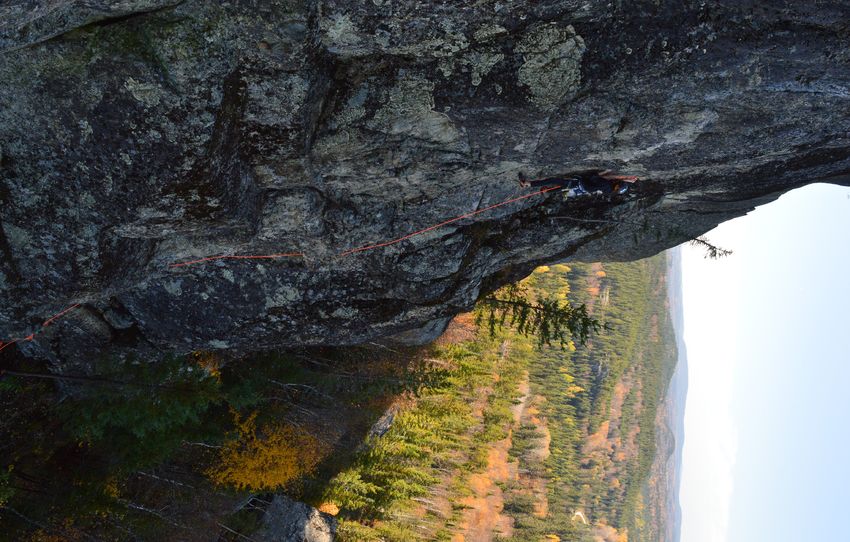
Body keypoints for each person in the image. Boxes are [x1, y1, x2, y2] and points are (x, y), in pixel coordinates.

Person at [518, 169, 638, 196]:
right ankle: (546, 191)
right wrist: (625, 179)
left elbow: (594, 176)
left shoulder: (605, 185)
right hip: (578, 190)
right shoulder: (608, 190)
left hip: (577, 183)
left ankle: (528, 184)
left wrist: (604, 172)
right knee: (559, 187)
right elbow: (612, 180)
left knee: (553, 180)